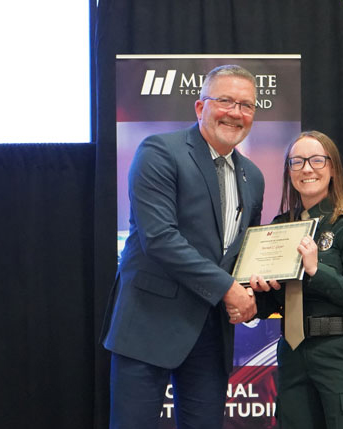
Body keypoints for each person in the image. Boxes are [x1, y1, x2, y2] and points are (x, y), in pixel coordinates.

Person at [100, 64, 265, 429]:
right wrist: (229, 289)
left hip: (210, 331)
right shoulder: (160, 151)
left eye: (247, 105)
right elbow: (159, 237)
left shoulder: (252, 176)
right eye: (225, 101)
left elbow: (243, 251)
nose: (235, 113)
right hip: (149, 325)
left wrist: (255, 288)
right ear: (200, 106)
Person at [230, 130, 343, 428]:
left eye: (316, 160)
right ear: (289, 171)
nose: (307, 169)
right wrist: (257, 296)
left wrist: (316, 270)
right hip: (293, 352)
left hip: (340, 353)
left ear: (333, 169)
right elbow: (276, 299)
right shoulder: (280, 227)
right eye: (297, 162)